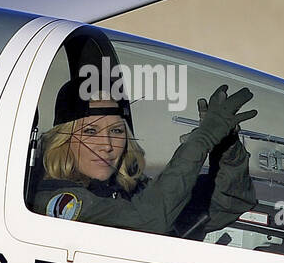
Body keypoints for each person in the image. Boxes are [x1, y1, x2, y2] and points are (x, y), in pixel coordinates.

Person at [32, 79, 258, 234]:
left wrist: (226, 146)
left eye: (116, 131)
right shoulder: (56, 200)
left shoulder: (131, 192)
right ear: (63, 140)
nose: (107, 145)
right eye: (90, 131)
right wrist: (201, 141)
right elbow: (145, 222)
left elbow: (231, 202)